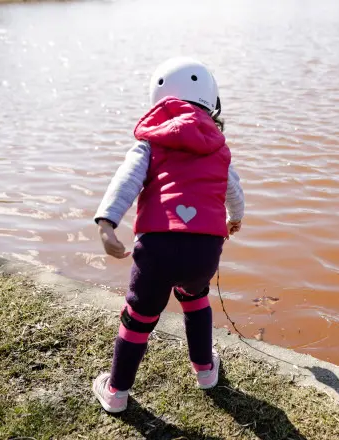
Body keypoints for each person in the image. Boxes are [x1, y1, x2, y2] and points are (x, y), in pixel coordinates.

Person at [90, 57, 245, 413]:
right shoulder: (219, 148)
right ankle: (205, 371)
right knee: (195, 297)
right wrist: (235, 218)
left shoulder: (151, 142)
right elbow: (234, 190)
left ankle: (116, 392)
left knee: (139, 317)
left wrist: (107, 222)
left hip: (157, 245)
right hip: (204, 248)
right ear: (212, 101)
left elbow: (126, 179)